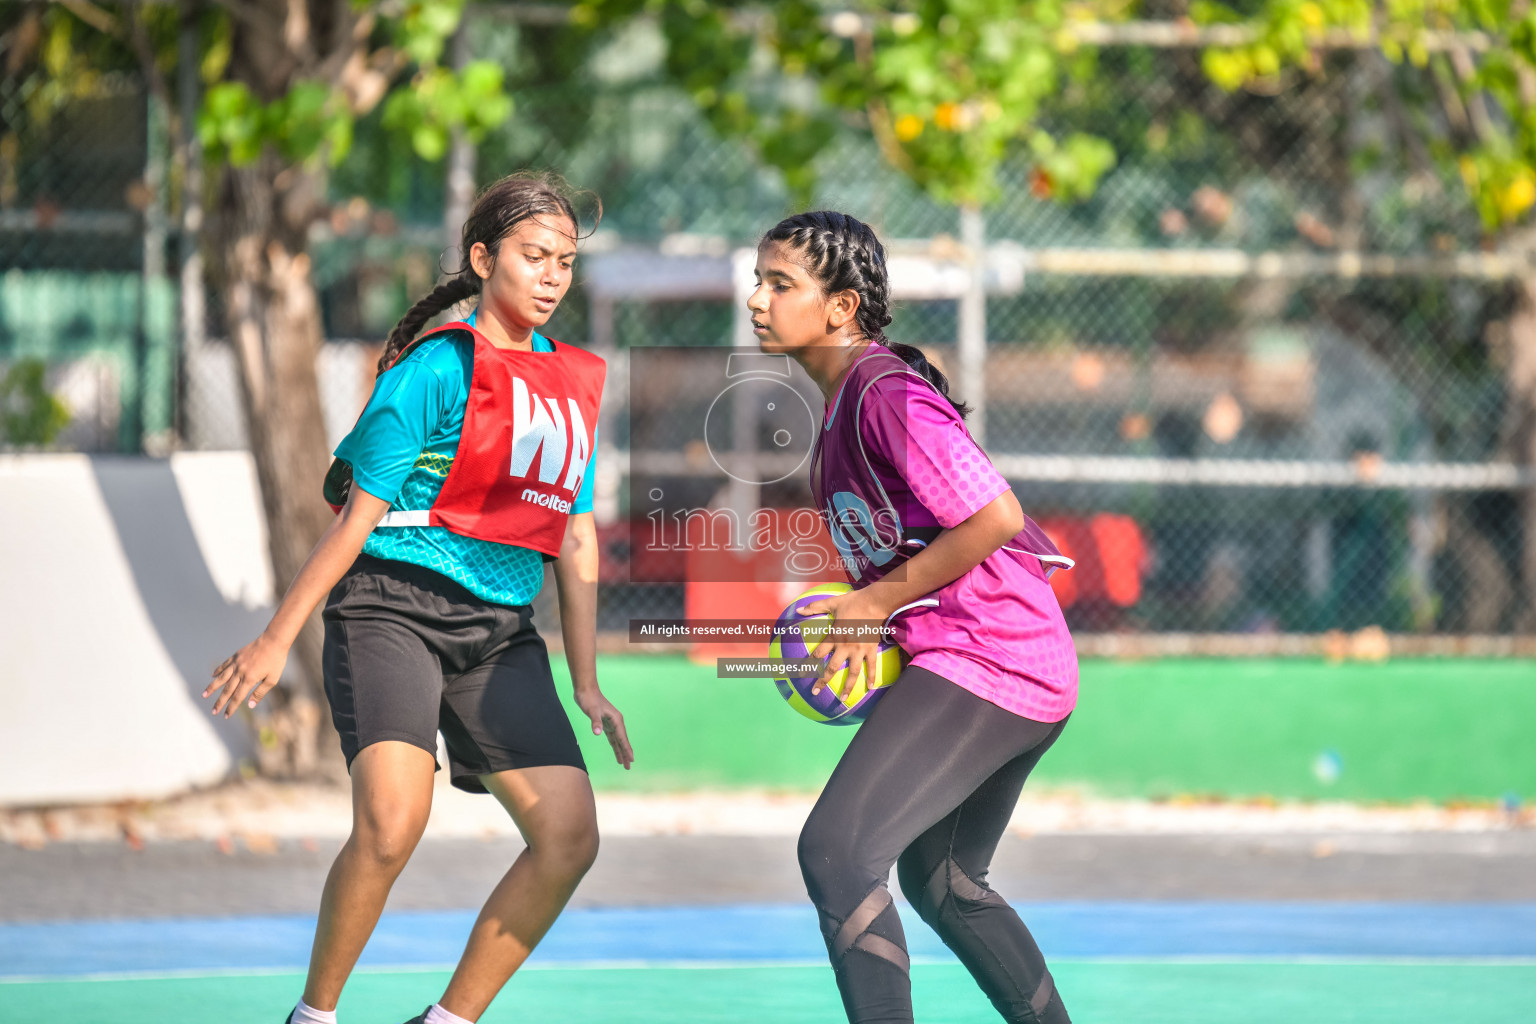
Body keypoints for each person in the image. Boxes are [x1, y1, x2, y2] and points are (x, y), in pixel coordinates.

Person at [203, 172, 633, 1024]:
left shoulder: (573, 385)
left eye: (566, 262)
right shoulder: (436, 369)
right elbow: (354, 523)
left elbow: (574, 538)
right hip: (391, 607)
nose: (551, 276)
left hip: (499, 628)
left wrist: (586, 684)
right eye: (533, 256)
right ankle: (314, 1015)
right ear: (483, 259)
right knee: (393, 823)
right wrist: (276, 637)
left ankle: (446, 1020)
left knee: (569, 836)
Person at [747, 211, 1078, 1024]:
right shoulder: (840, 410)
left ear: (841, 307)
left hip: (993, 656)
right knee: (947, 885)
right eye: (759, 281)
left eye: (780, 283)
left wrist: (869, 606)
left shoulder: (884, 392)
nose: (757, 299)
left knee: (837, 854)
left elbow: (996, 517)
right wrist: (875, 634)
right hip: (993, 658)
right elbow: (916, 553)